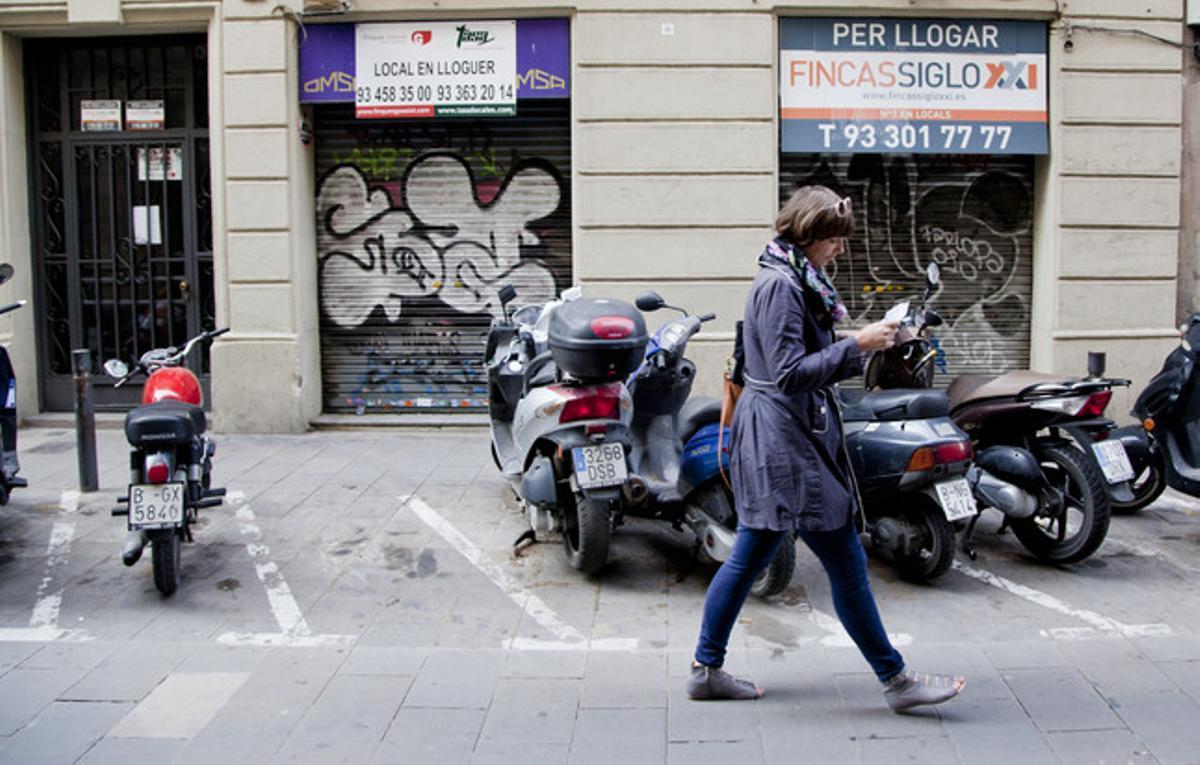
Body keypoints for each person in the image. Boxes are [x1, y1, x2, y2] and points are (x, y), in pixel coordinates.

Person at [686, 185, 965, 712]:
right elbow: (789, 374)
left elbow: (797, 359)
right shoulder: (780, 287)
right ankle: (896, 681)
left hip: (789, 436)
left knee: (752, 554)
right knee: (841, 558)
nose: (840, 250)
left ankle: (706, 668)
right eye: (834, 240)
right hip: (783, 443)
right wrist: (857, 345)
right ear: (809, 234)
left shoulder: (795, 278)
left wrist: (870, 339)